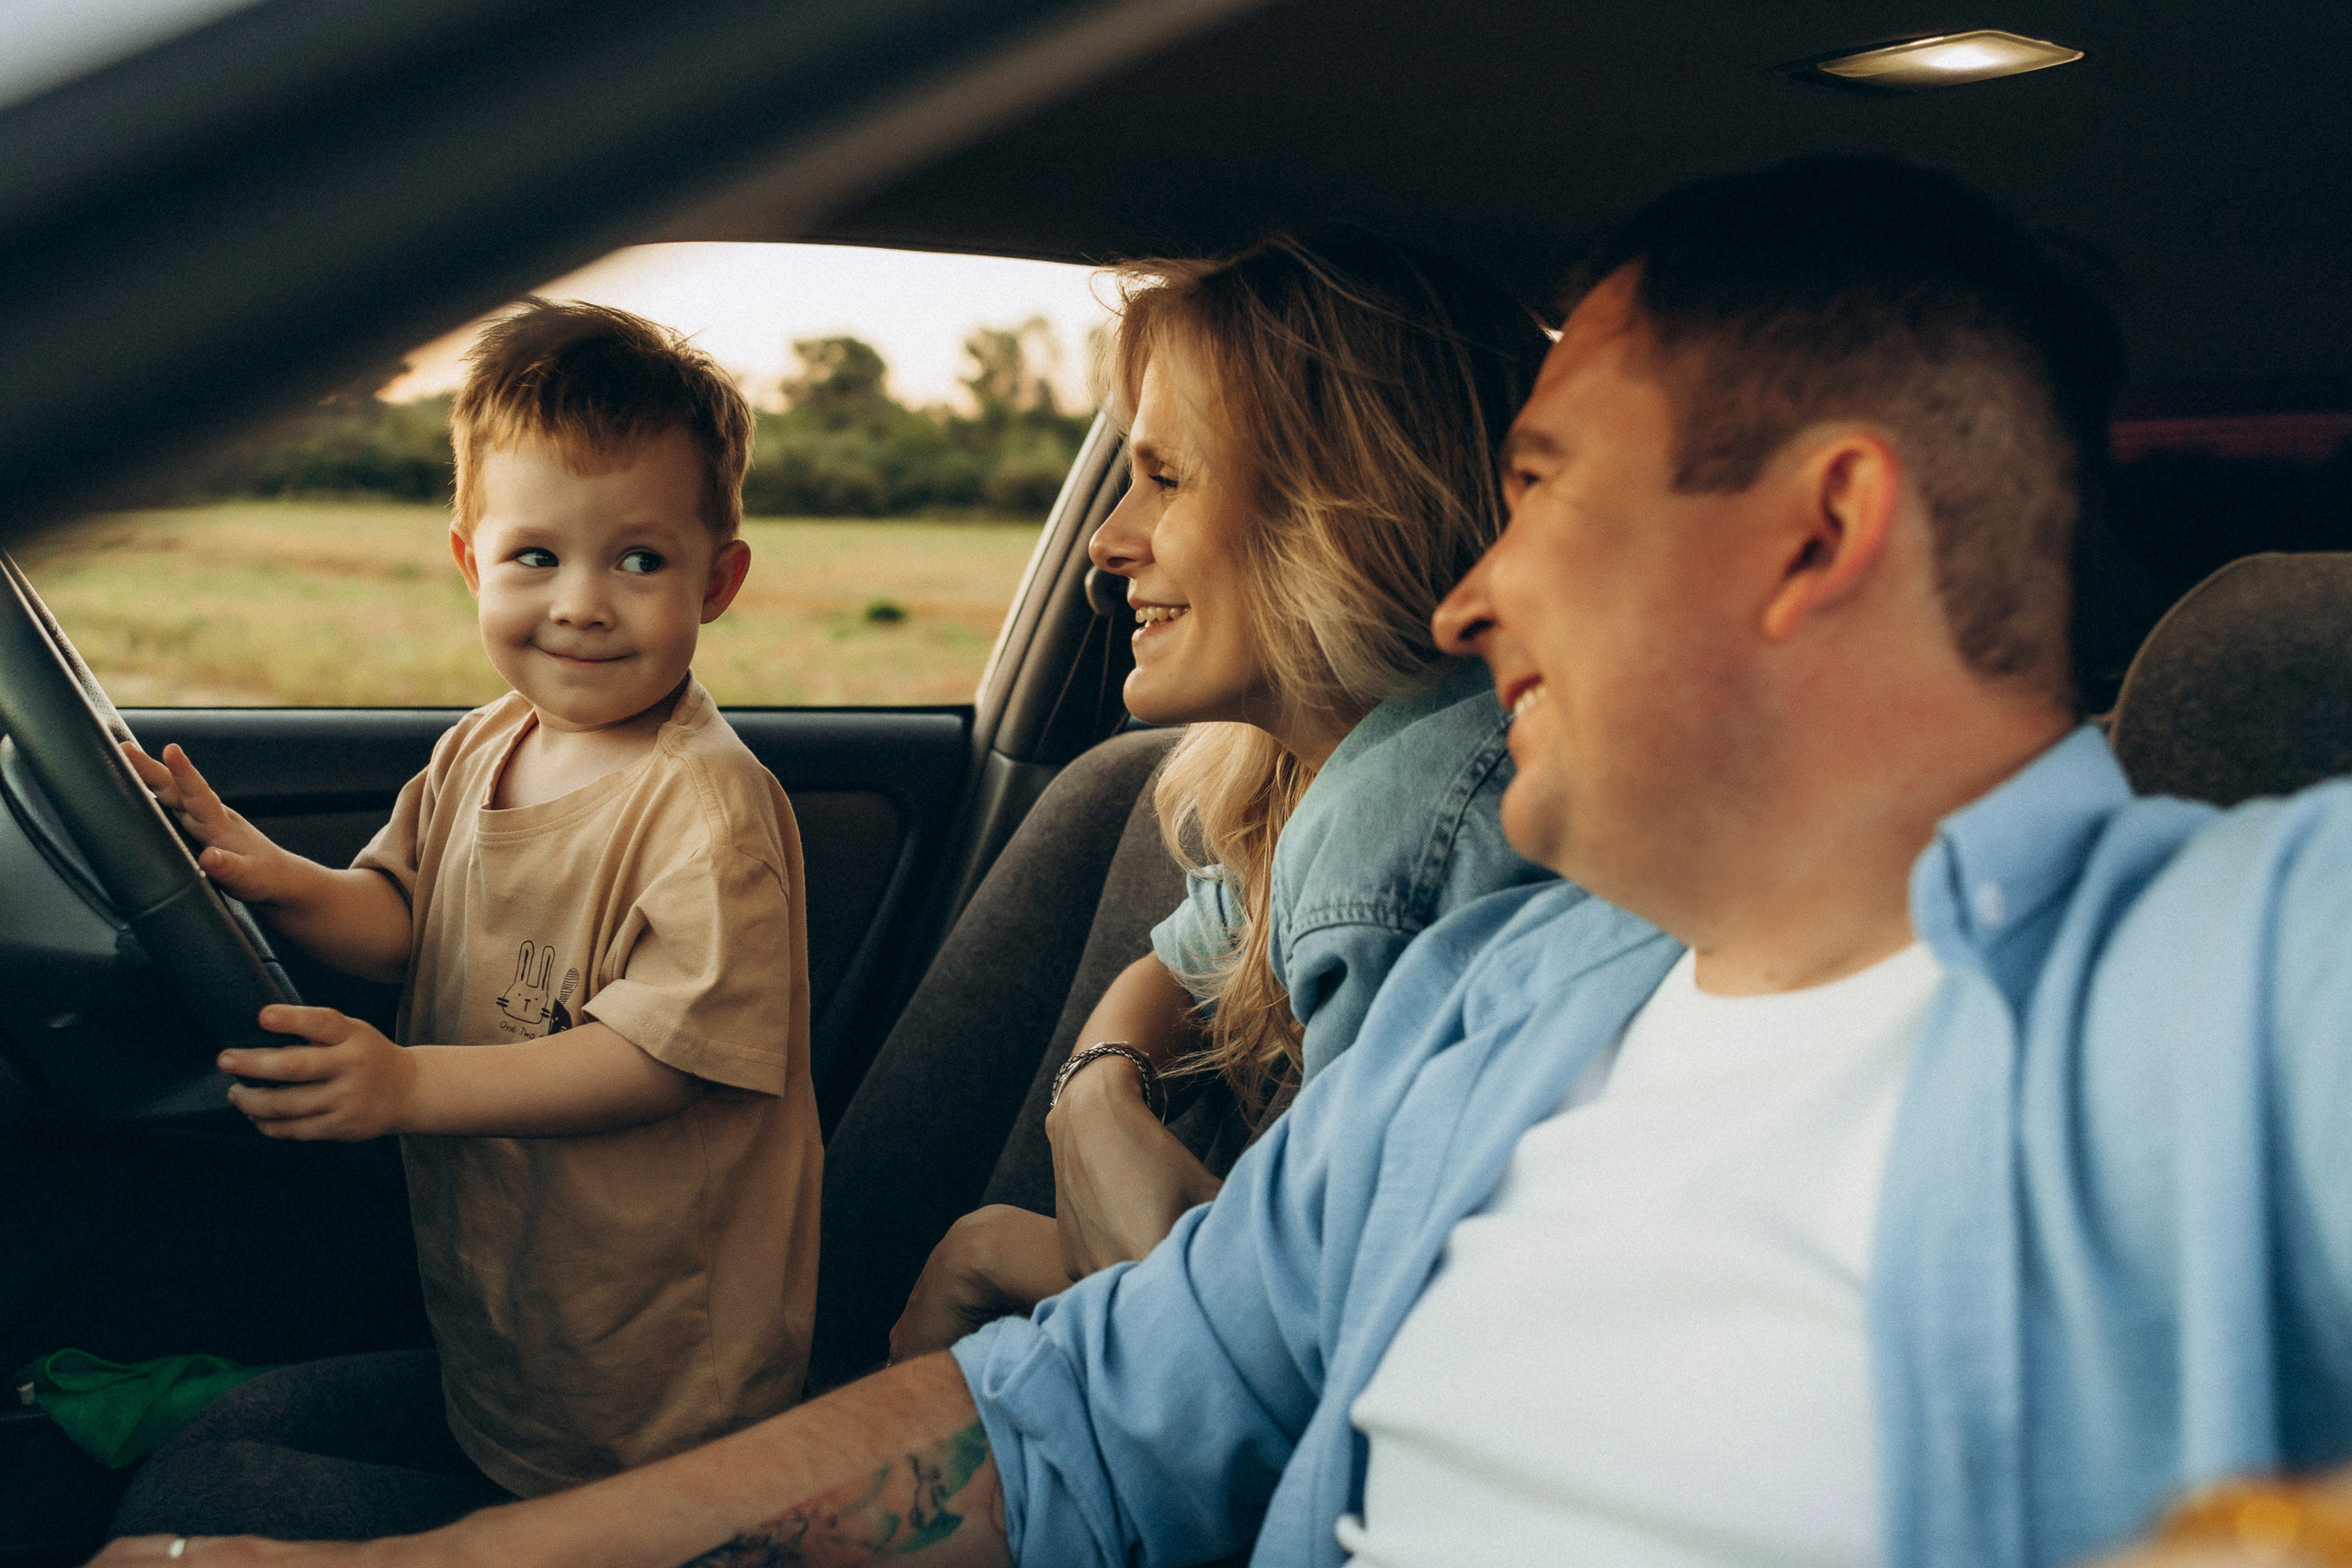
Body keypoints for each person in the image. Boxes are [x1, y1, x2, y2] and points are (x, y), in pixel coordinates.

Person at [94, 159, 2352, 1568]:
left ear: (1818, 533)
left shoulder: (2201, 992)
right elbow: (1064, 1417)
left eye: (1545, 489)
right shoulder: (1499, 1008)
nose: (1470, 599)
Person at [108, 301, 821, 1539]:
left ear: (721, 579)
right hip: (519, 1310)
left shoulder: (709, 808)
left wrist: (407, 1086)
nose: (584, 603)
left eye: (638, 560)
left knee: (629, 1526)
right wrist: (268, 868)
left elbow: (659, 1058)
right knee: (516, 1457)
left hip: (665, 1351)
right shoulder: (481, 745)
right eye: (536, 556)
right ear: (469, 562)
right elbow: (401, 916)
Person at [888, 234, 1559, 1360]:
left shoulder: (1411, 822)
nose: (1108, 540)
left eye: (1164, 476)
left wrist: (1002, 1253)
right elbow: (1199, 948)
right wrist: (1098, 1091)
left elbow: (1320, 1320)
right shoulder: (1324, 765)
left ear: (1338, 507)